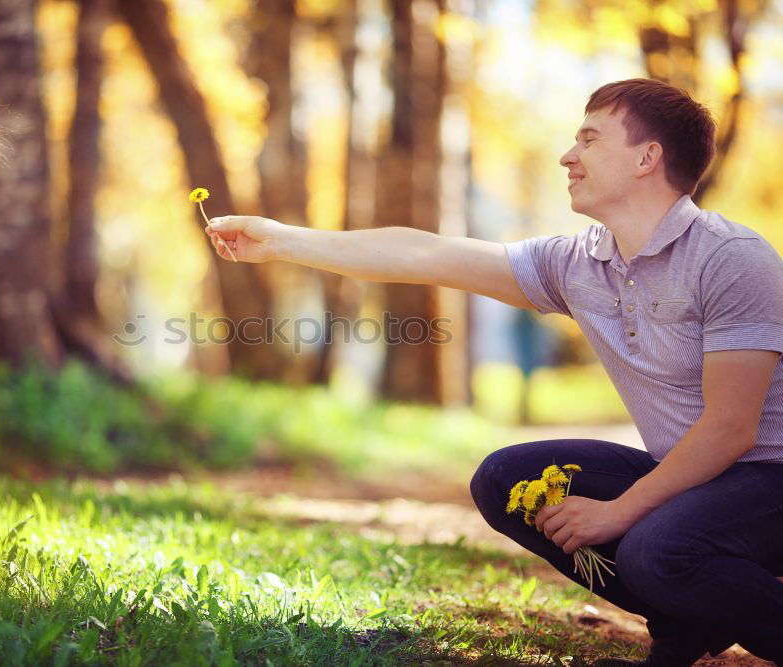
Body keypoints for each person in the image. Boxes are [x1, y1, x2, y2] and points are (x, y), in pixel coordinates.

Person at [201, 78, 783, 666]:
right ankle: (690, 621)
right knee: (507, 479)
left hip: (769, 473)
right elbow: (426, 254)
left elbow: (731, 430)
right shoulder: (579, 262)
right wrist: (282, 242)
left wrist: (619, 510)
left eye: (589, 138)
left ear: (646, 157)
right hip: (689, 474)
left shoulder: (730, 258)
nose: (568, 155)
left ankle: (713, 610)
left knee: (655, 549)